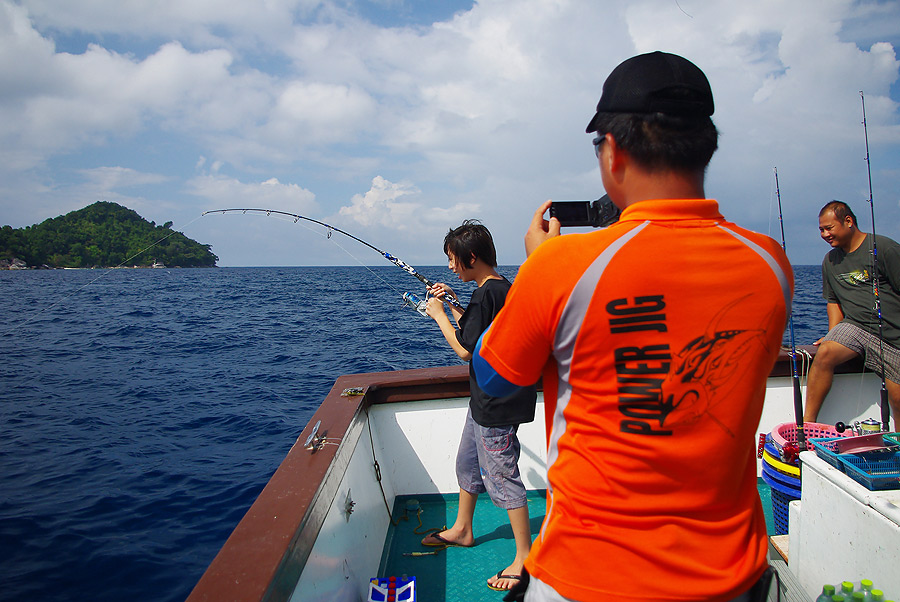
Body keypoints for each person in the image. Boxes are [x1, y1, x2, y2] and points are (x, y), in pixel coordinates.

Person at [472, 51, 792, 602]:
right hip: (730, 576)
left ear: (613, 152)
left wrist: (531, 274)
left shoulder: (560, 266)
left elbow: (493, 379)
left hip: (589, 576)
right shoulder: (772, 264)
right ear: (706, 146)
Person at [419, 219, 537, 592]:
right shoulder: (499, 290)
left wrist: (438, 315)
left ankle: (524, 559)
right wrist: (454, 303)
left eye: (454, 260)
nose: (451, 266)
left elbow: (466, 351)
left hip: (495, 404)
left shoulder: (487, 295)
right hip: (489, 399)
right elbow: (479, 334)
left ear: (471, 257)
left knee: (502, 474)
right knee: (467, 464)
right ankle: (463, 529)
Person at [803, 200, 900, 427]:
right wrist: (832, 334)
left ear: (848, 221)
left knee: (897, 397)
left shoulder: (884, 248)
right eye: (821, 230)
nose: (825, 234)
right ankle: (808, 426)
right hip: (855, 327)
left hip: (893, 337)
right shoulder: (830, 261)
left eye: (829, 228)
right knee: (825, 353)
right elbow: (834, 301)